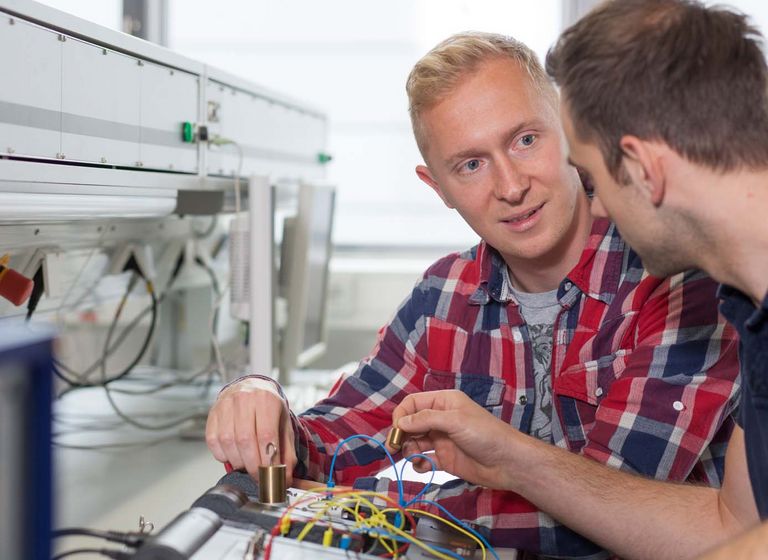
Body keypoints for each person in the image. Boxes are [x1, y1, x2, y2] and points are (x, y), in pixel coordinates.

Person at [206, 31, 740, 556]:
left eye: (525, 140)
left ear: (570, 134)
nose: (511, 186)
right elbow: (329, 443)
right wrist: (259, 400)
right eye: (471, 164)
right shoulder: (443, 296)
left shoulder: (674, 273)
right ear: (436, 187)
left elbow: (613, 512)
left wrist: (381, 507)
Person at [391, 2, 768, 558]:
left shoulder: (702, 294)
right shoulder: (753, 309)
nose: (595, 206)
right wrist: (511, 459)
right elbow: (734, 525)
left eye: (589, 175)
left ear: (643, 170)